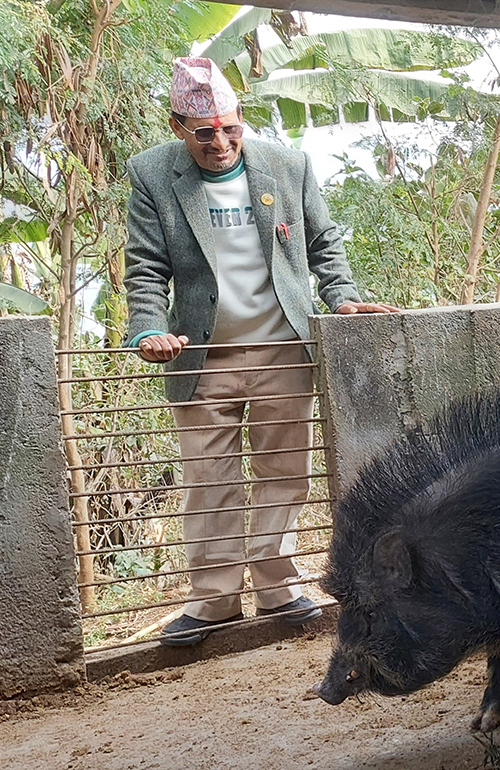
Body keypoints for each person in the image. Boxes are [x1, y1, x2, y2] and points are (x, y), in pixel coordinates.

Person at [123, 57, 398, 646]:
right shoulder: (151, 174)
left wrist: (344, 298)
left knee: (284, 472)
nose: (220, 143)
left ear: (241, 118)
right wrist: (147, 330)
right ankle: (214, 601)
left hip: (281, 346)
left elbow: (324, 244)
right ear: (178, 127)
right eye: (204, 134)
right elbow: (145, 268)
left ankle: (278, 588)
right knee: (208, 480)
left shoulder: (288, 165)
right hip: (201, 355)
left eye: (230, 129)